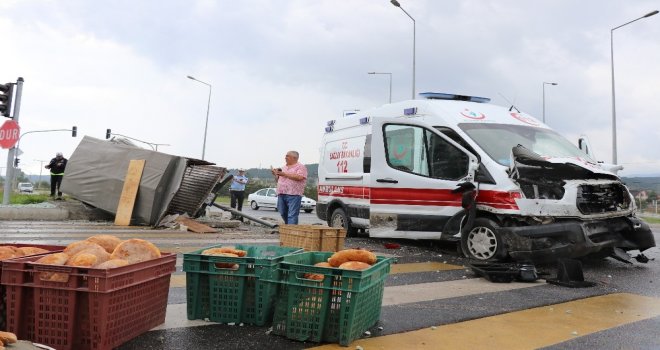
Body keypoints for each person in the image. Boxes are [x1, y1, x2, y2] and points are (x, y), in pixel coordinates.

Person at [272, 150, 308, 225]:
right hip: (281, 193)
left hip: (294, 194)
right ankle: (289, 227)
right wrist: (275, 174)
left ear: (294, 158)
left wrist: (284, 174)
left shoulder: (301, 167)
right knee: (282, 212)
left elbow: (299, 177)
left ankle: (292, 230)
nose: (285, 157)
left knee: (292, 214)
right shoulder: (283, 167)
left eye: (287, 156)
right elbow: (278, 180)